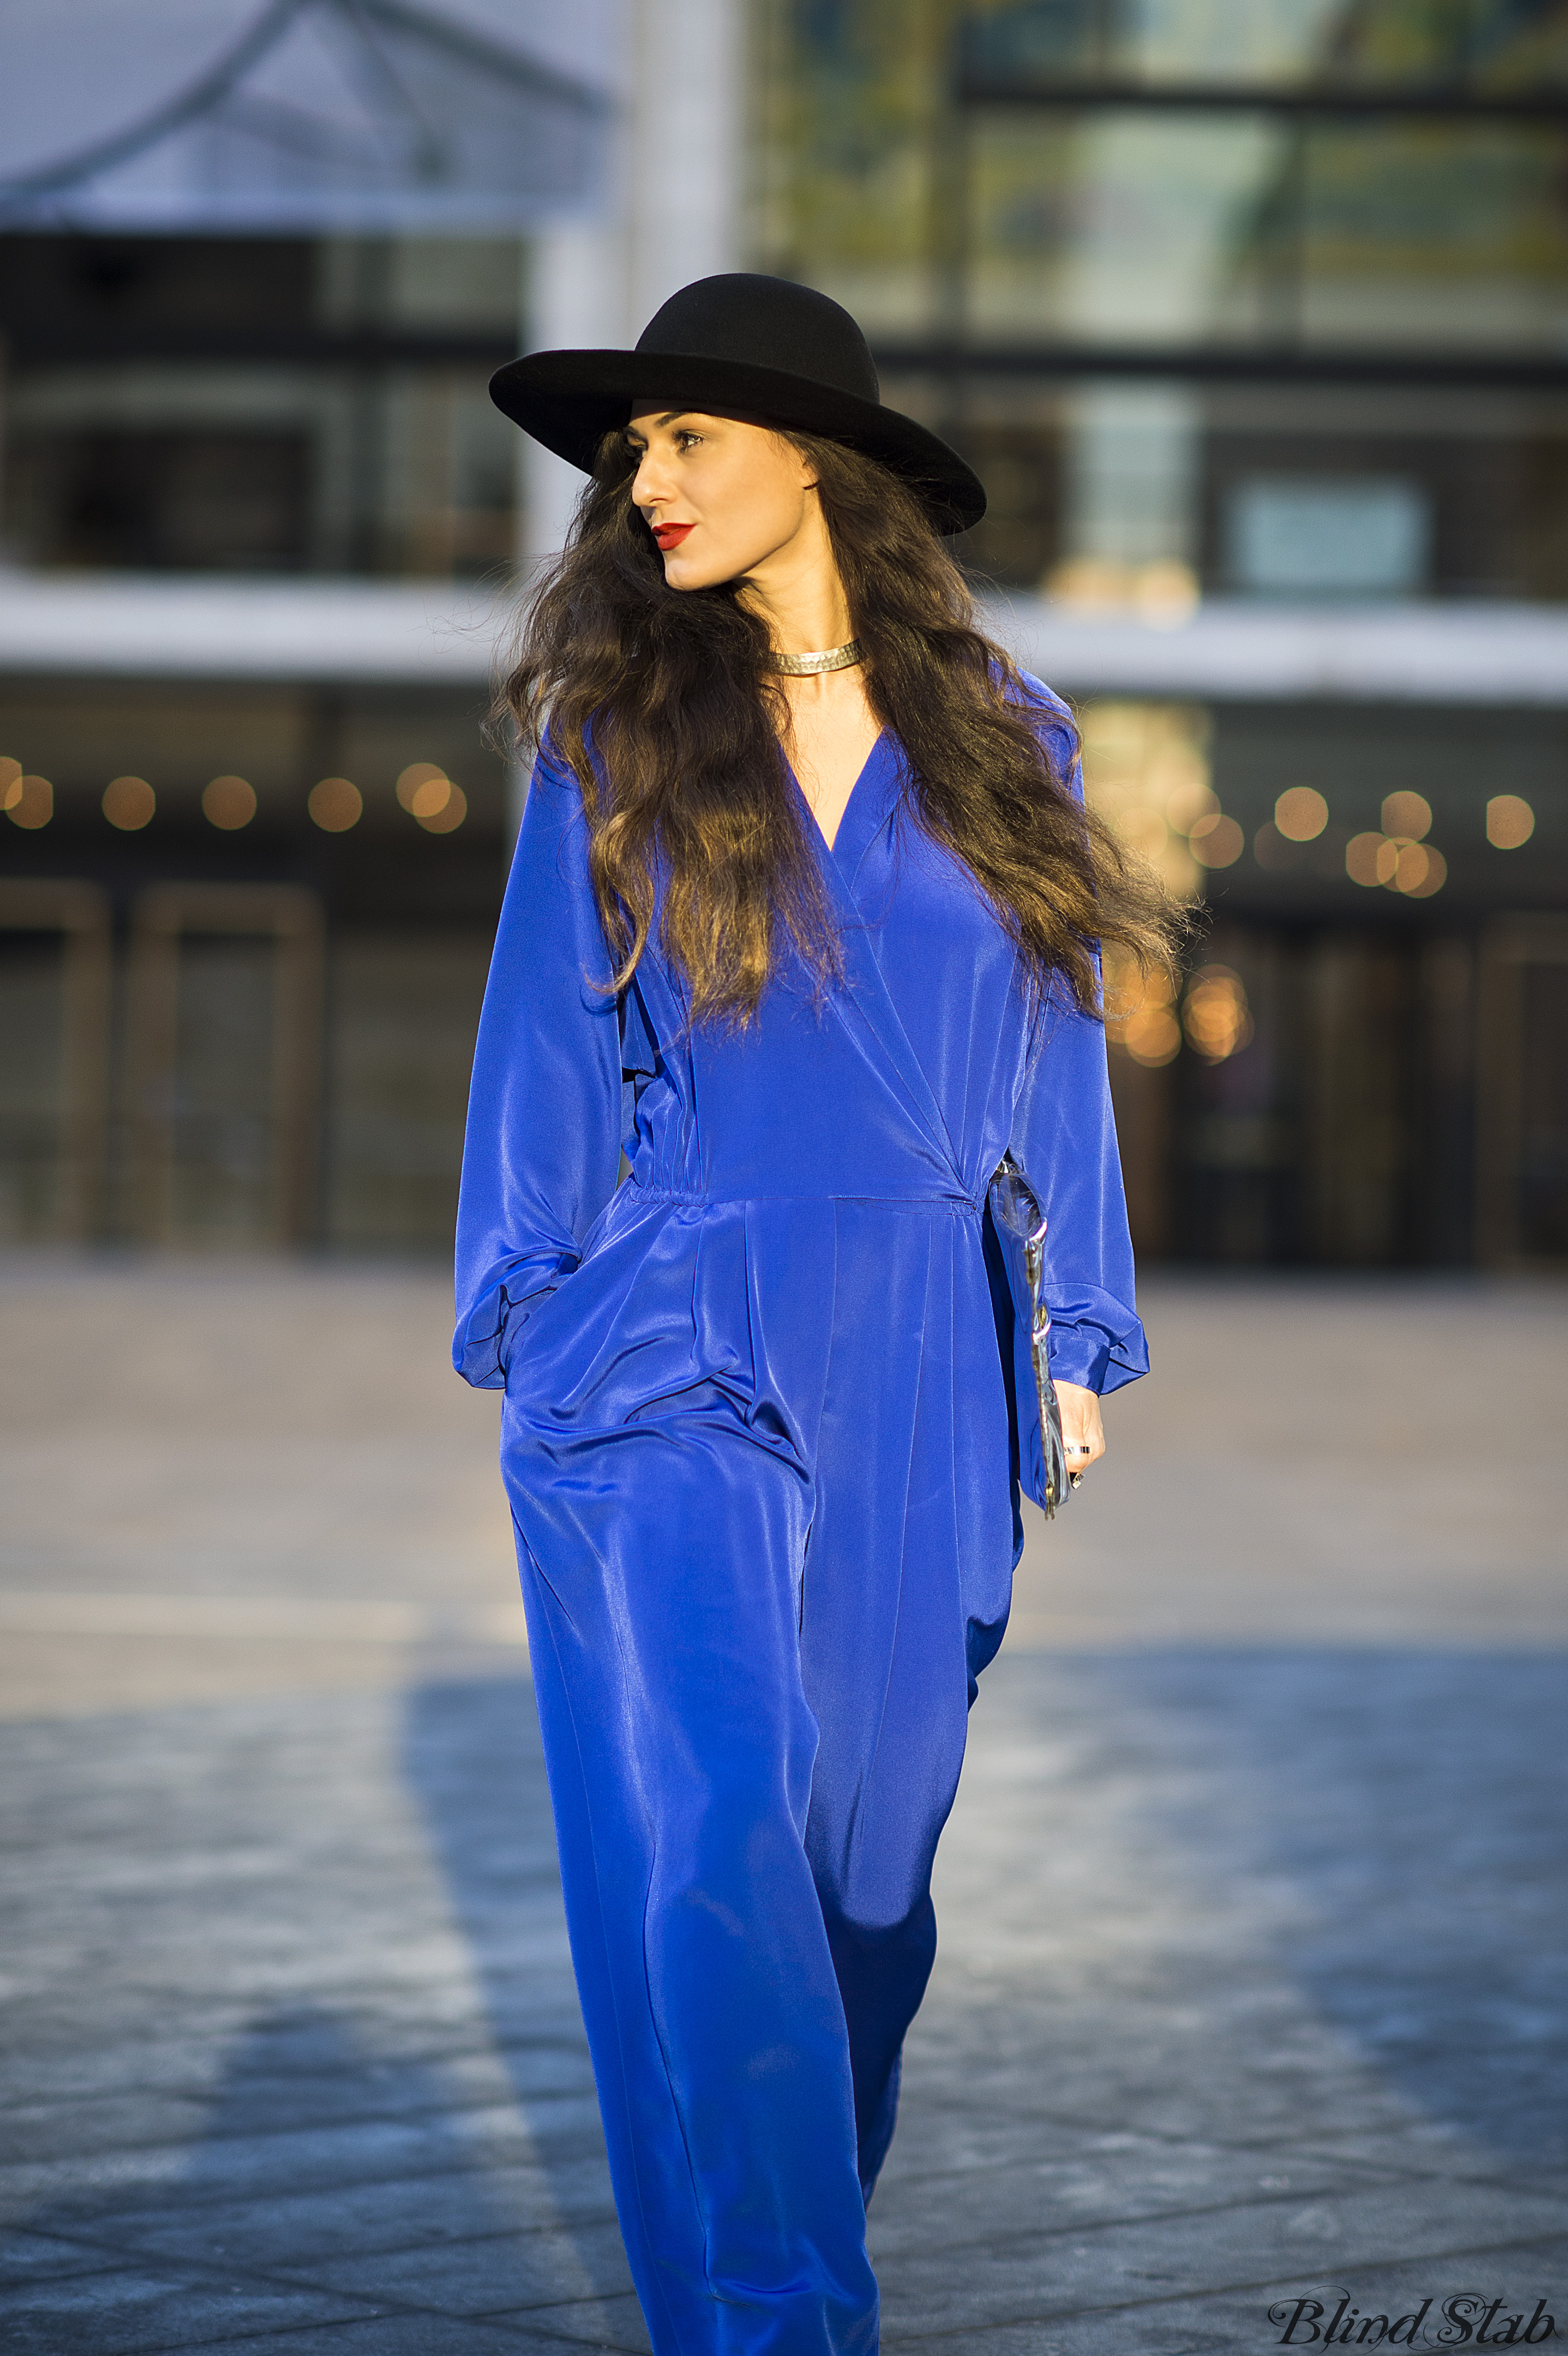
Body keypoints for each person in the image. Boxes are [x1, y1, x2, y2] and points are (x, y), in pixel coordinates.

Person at [454, 273, 1175, 2356]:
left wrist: (1072, 1326)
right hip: (668, 1326)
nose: (644, 481)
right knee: (713, 1854)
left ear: (812, 459)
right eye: (636, 449)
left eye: (686, 436)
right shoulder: (614, 731)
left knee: (863, 1890)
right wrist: (535, 1296)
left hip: (925, 1349)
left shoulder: (1001, 727)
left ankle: (769, 2265)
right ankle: (780, 2323)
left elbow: (1053, 1034)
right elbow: (538, 1038)